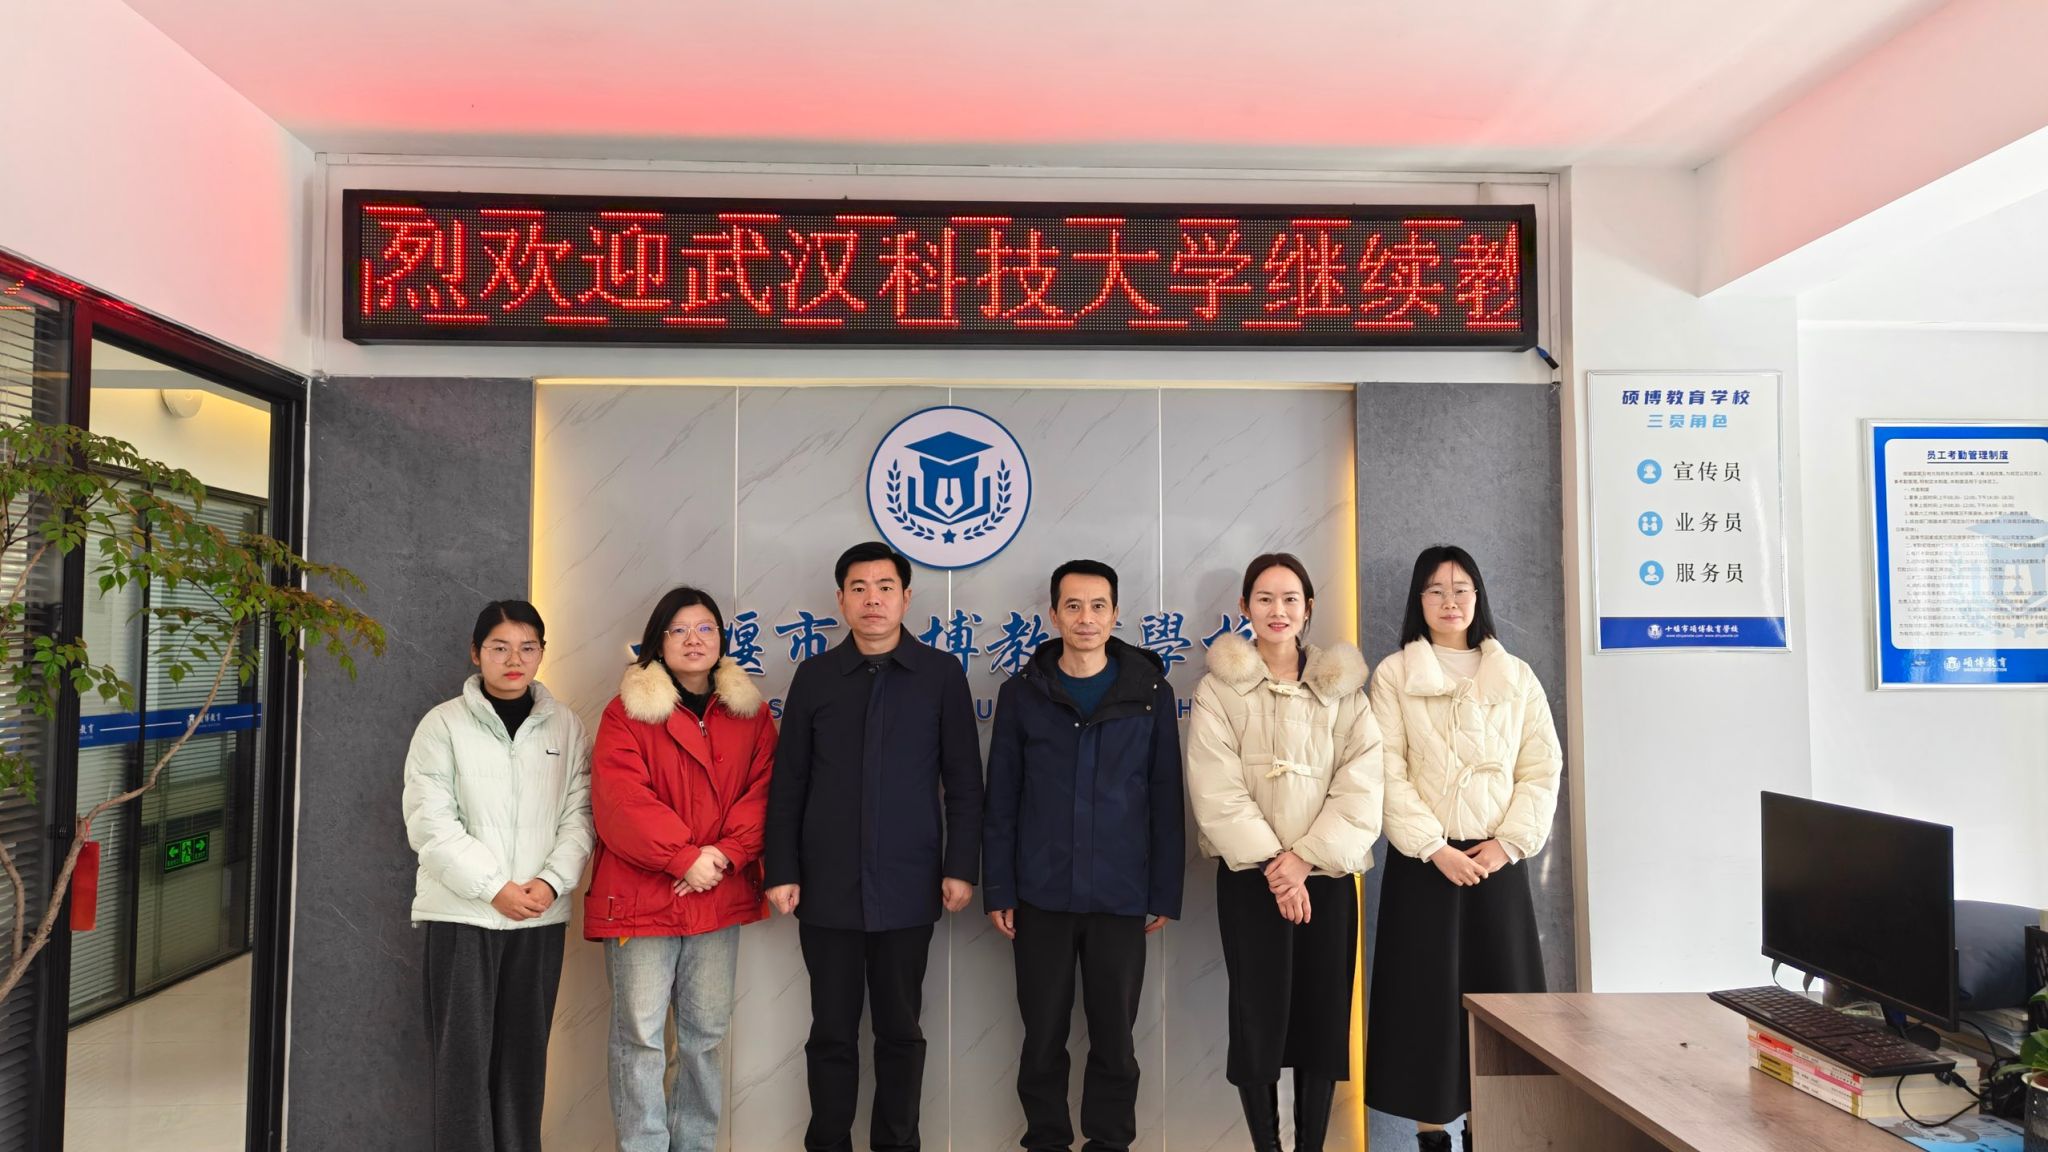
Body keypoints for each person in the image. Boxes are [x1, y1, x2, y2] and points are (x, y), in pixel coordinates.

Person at [764, 541, 984, 1152]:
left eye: (885, 588)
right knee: (831, 1033)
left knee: (901, 1032)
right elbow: (789, 782)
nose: (872, 600)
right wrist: (781, 867)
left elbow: (965, 782)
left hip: (909, 883)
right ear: (840, 600)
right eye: (858, 589)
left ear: (906, 598)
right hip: (827, 885)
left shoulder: (940, 674)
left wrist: (960, 866)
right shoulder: (815, 677)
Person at [1364, 545, 1562, 1152]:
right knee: (1423, 1001)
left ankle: (1488, 1131)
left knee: (1503, 1004)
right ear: (1418, 600)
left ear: (1478, 597)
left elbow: (1541, 768)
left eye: (1461, 589)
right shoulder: (1394, 674)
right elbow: (1385, 770)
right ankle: (1431, 1137)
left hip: (1496, 865)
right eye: (1435, 590)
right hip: (1424, 866)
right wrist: (1433, 846)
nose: (1449, 601)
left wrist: (1509, 843)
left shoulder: (1515, 675)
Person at [982, 559, 1185, 1152]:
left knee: (1115, 1039)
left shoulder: (1150, 693)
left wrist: (1163, 891)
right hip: (1040, 893)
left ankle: (1110, 1142)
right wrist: (1000, 888)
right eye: (1073, 606)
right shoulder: (1022, 694)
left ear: (1116, 614)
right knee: (1042, 1036)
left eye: (1098, 606)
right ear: (1053, 615)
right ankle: (1045, 1139)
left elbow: (1165, 798)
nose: (1086, 618)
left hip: (1121, 894)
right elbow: (1003, 799)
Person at [1185, 554, 1383, 1152]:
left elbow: (1363, 785)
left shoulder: (1344, 690)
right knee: (1257, 1016)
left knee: (1323, 1017)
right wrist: (1279, 869)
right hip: (1252, 880)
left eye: (1291, 598)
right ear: (1244, 607)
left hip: (1327, 878)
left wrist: (1305, 861)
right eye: (1265, 599)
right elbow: (1215, 789)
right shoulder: (1218, 689)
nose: (1278, 611)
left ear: (1308, 607)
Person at [585, 586, 777, 1152]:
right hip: (640, 900)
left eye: (706, 629)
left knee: (705, 1039)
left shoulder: (750, 713)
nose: (694, 640)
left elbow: (766, 791)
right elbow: (620, 801)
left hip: (717, 896)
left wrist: (725, 855)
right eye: (680, 630)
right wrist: (684, 857)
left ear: (722, 639)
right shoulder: (626, 712)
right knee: (640, 1040)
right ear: (658, 641)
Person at [402, 599, 593, 1152]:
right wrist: (494, 889)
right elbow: (430, 824)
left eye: (527, 648)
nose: (514, 660)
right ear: (476, 653)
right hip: (464, 916)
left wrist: (551, 882)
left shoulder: (566, 725)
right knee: (462, 1064)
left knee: (524, 1062)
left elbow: (581, 816)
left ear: (542, 653)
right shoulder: (442, 724)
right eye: (500, 648)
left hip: (539, 917)